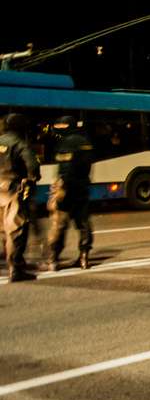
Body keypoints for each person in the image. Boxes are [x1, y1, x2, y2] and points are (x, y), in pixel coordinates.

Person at [45, 116, 95, 272]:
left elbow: (65, 169)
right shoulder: (85, 142)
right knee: (83, 224)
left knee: (59, 224)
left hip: (67, 189)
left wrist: (60, 188)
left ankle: (53, 259)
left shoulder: (66, 143)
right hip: (82, 188)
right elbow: (88, 165)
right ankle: (84, 258)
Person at [0, 114, 41, 282]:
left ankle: (13, 260)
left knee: (3, 229)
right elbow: (33, 166)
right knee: (16, 230)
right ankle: (15, 269)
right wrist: (32, 178)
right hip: (12, 189)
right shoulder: (20, 143)